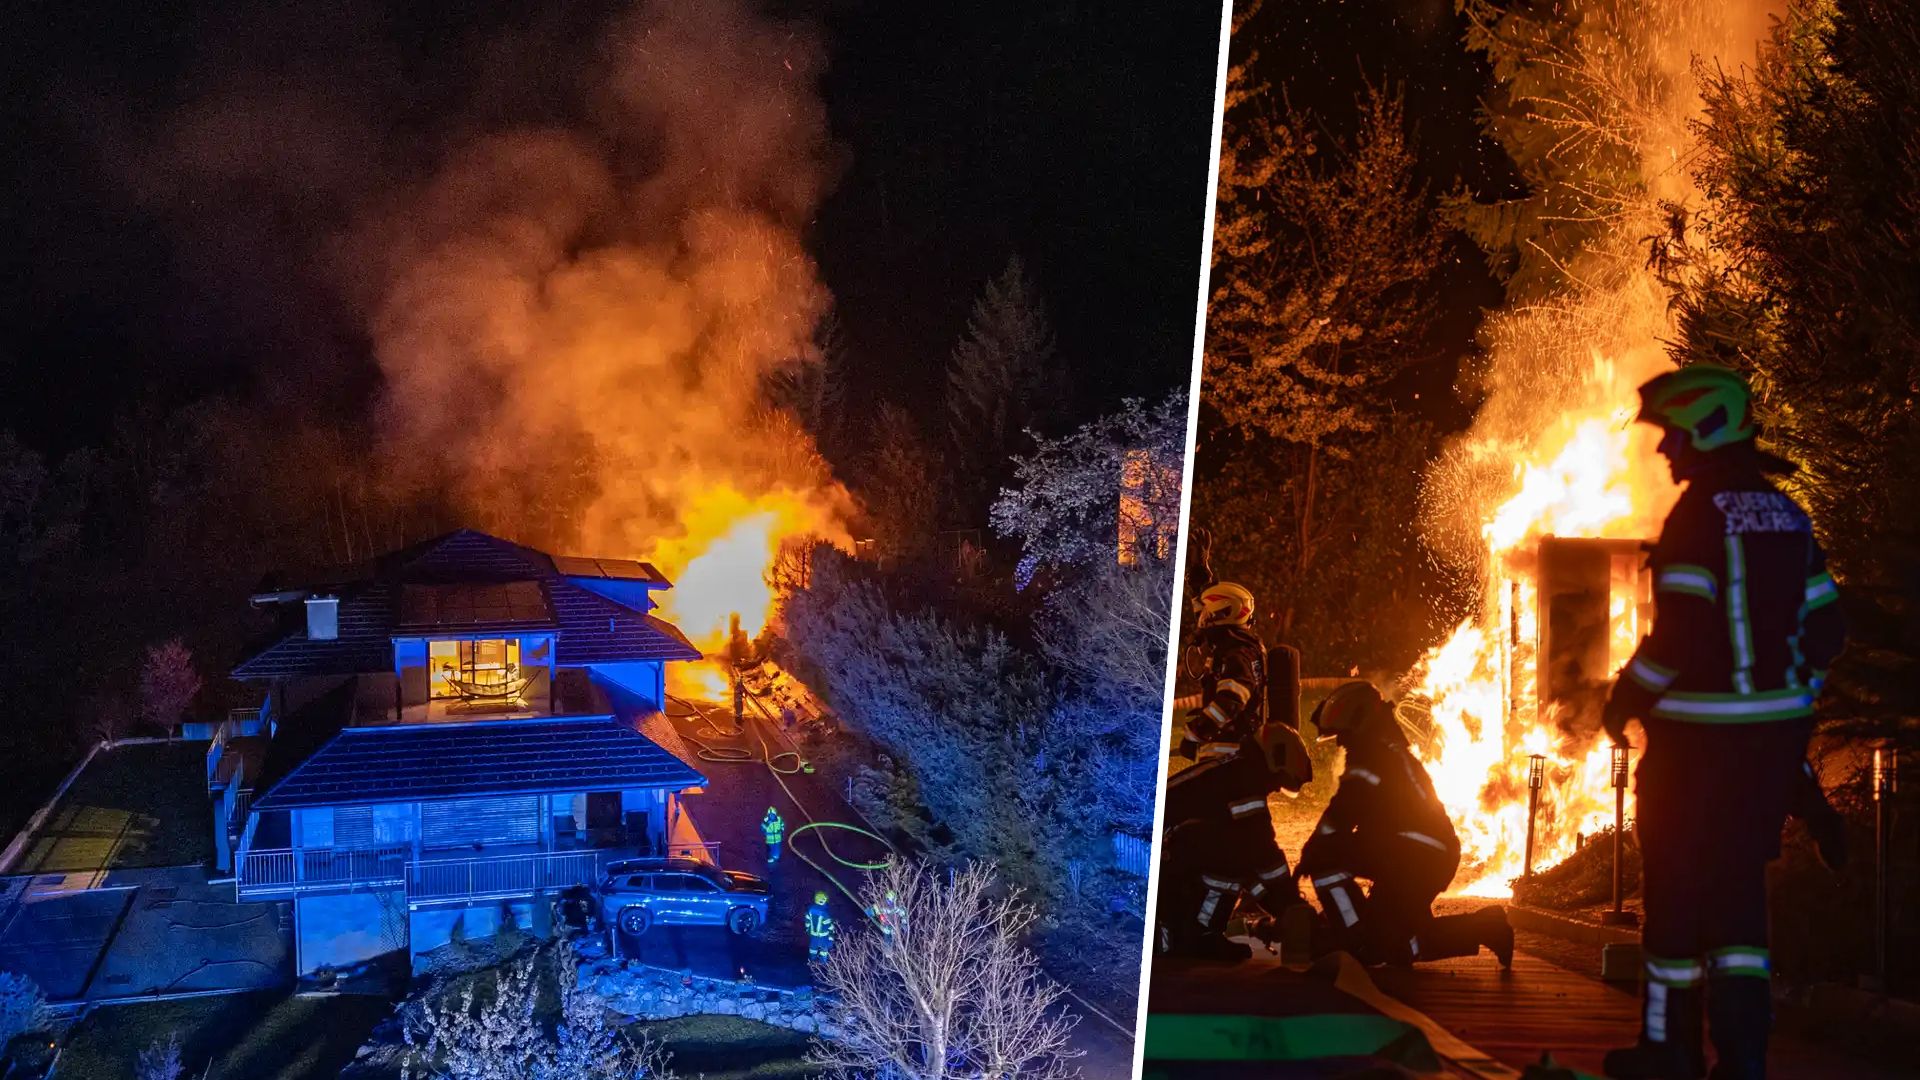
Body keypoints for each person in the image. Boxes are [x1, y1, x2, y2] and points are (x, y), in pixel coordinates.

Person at [1600, 365, 1846, 1080]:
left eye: (1673, 435)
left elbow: (1678, 637)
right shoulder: (1788, 515)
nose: (1664, 451)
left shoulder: (1698, 517)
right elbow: (1829, 625)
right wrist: (1792, 693)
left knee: (1673, 912)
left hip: (1693, 757)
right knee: (1741, 914)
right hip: (1767, 755)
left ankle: (1667, 1052)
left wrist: (1624, 700)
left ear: (1707, 426)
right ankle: (1742, 1062)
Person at [1296, 681, 1514, 968]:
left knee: (1325, 860)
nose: (1340, 742)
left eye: (1343, 734)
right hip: (1418, 856)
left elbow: (1342, 813)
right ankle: (1487, 926)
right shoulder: (1388, 753)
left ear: (1360, 723)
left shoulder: (1373, 758)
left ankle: (1353, 938)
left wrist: (1310, 853)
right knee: (1397, 945)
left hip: (1413, 857)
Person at [1159, 581, 1315, 960]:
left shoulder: (1236, 651)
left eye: (1204, 611)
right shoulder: (1244, 781)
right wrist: (1290, 906)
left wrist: (1197, 731)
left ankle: (1196, 933)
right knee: (1228, 857)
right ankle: (1191, 934)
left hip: (1221, 755)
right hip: (1174, 845)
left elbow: (1234, 695)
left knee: (1231, 855)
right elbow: (1262, 852)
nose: (1200, 619)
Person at [805, 891, 835, 962]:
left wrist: (808, 930)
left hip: (813, 936)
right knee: (823, 951)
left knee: (813, 950)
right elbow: (829, 926)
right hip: (823, 936)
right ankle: (822, 965)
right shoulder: (825, 912)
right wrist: (831, 936)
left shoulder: (810, 910)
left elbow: (807, 922)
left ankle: (812, 964)